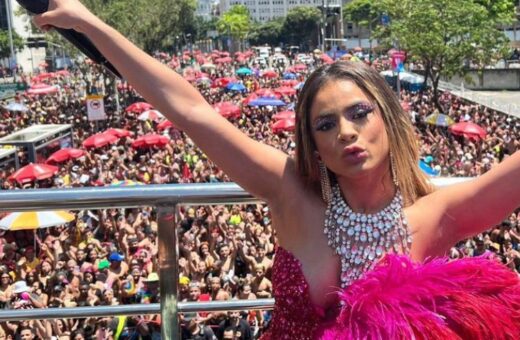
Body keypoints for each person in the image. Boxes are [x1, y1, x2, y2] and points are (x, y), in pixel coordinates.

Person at [34, 2, 520, 338]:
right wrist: (88, 22)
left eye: (359, 113)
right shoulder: (289, 190)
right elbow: (190, 108)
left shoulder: (440, 214)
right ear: (313, 145)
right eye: (325, 124)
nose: (346, 133)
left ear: (388, 118)